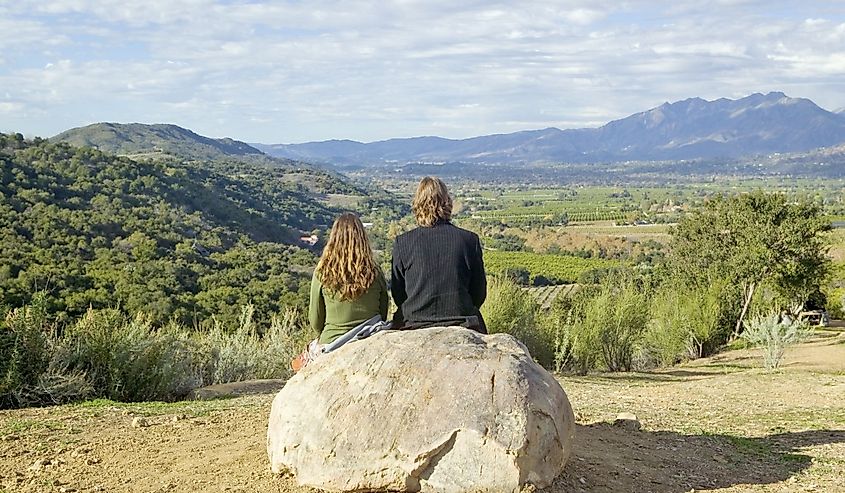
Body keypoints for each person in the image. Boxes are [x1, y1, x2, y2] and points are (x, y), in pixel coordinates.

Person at [390, 176, 487, 333]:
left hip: (413, 322)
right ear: (447, 202)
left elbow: (398, 294)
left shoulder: (403, 243)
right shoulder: (469, 240)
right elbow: (478, 293)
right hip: (461, 321)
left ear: (418, 204)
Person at [294, 213, 388, 371]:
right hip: (369, 336)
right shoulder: (375, 271)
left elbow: (315, 319)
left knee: (298, 363)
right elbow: (383, 311)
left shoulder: (322, 273)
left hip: (333, 340)